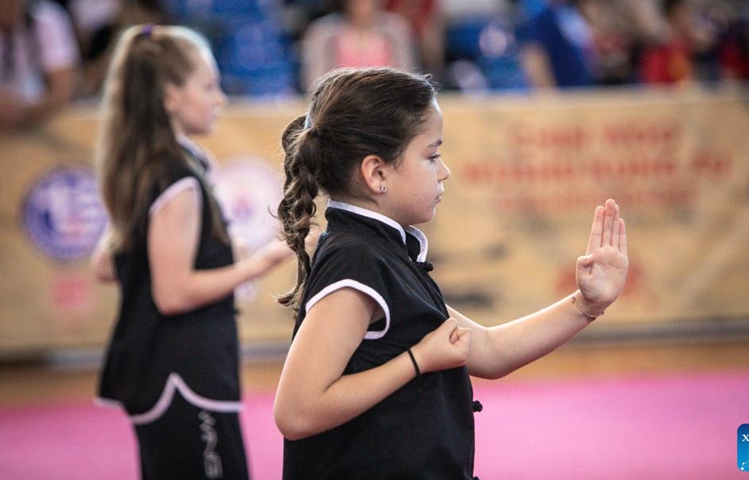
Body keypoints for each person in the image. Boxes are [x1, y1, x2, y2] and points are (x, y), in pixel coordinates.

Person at [272, 67, 629, 479]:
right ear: (377, 173)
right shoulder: (358, 261)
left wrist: (586, 303)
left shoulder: (384, 253)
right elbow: (297, 412)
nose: (445, 171)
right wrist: (417, 360)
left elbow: (489, 351)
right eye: (432, 155)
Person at [90, 24, 299, 480]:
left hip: (168, 370)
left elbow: (108, 263)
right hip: (182, 376)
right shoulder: (175, 177)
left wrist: (252, 248)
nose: (220, 98)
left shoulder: (152, 167)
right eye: (208, 86)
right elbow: (173, 291)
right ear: (169, 97)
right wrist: (257, 264)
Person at [299, 0, 418, 92]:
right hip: (339, 111)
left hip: (388, 110)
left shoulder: (396, 30)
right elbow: (315, 86)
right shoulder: (323, 33)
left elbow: (407, 80)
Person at [0, 0, 81, 130]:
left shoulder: (45, 18)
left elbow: (63, 89)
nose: (10, 4)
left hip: (34, 116)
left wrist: (23, 111)